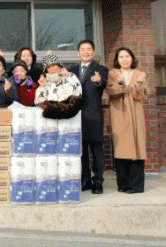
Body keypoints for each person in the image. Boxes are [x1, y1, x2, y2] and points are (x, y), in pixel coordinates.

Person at [68, 40, 108, 195]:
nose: (86, 52)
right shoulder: (71, 71)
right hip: (76, 116)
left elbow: (102, 84)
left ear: (94, 52)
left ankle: (98, 182)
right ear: (78, 53)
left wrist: (98, 82)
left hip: (93, 115)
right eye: (82, 49)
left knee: (97, 151)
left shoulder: (101, 69)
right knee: (81, 151)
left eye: (89, 49)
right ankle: (85, 180)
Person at [105, 47, 148, 194]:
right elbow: (111, 92)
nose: (125, 59)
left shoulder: (139, 74)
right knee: (121, 148)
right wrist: (120, 83)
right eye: (121, 57)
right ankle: (123, 184)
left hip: (135, 114)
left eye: (127, 56)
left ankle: (136, 185)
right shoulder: (112, 74)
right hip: (119, 114)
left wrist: (140, 83)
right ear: (117, 60)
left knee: (136, 148)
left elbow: (140, 96)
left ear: (132, 58)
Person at [34, 53, 83, 117]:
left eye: (54, 65)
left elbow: (76, 95)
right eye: (48, 67)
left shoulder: (70, 76)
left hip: (70, 116)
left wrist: (66, 79)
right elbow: (38, 103)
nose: (52, 69)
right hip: (49, 117)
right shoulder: (45, 82)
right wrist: (42, 87)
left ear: (59, 65)